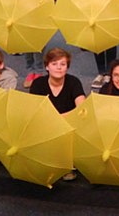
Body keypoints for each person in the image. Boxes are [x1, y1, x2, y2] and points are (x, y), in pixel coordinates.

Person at [29, 47, 86, 181]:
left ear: (67, 67)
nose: (59, 68)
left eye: (63, 64)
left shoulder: (73, 82)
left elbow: (82, 109)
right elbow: (34, 111)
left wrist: (59, 119)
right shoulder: (38, 84)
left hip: (69, 126)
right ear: (47, 67)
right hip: (45, 126)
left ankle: (65, 164)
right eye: (54, 64)